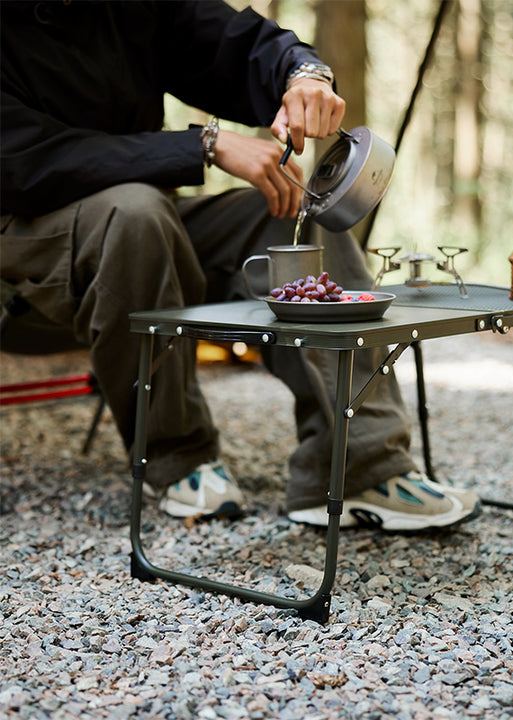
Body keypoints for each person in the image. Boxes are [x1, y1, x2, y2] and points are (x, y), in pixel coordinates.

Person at [0, 0, 480, 531]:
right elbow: (21, 161)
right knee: (134, 211)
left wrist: (303, 76)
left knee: (292, 208)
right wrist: (202, 145)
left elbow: (233, 42)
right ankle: (178, 457)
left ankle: (360, 467)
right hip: (22, 242)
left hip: (148, 217)